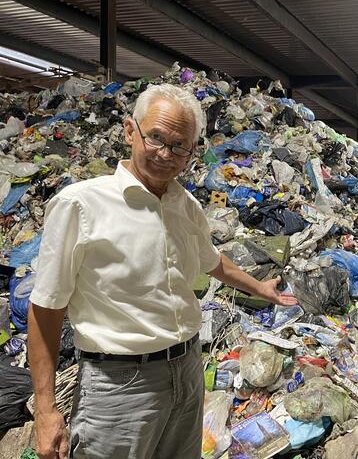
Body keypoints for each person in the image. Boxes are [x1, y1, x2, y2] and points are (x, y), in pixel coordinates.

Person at [27, 84, 297, 459]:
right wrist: (45, 410)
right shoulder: (80, 205)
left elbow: (212, 260)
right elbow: (45, 310)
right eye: (156, 138)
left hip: (186, 370)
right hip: (118, 386)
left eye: (180, 146)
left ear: (191, 151)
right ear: (129, 131)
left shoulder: (185, 204)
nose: (165, 154)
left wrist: (261, 289)